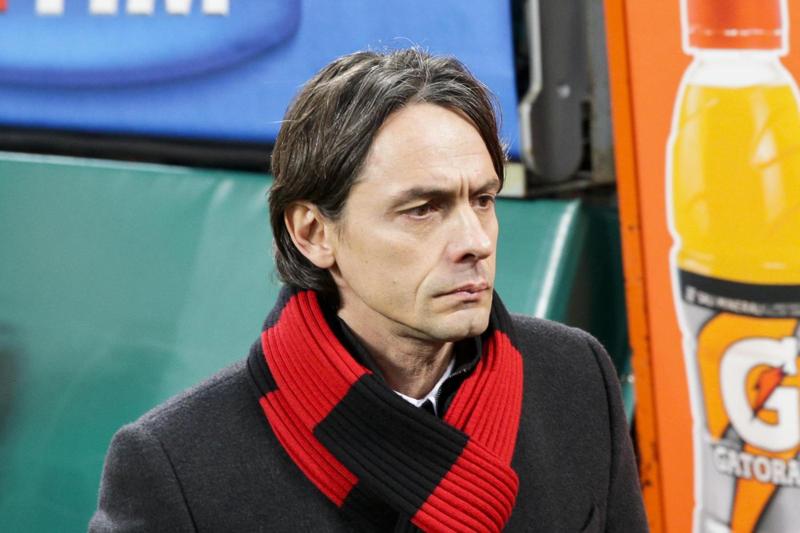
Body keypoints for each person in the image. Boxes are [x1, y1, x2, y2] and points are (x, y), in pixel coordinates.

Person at [90, 48, 648, 532]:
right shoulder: (179, 464)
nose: (475, 241)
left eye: (482, 200)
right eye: (423, 209)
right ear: (313, 233)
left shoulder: (574, 377)